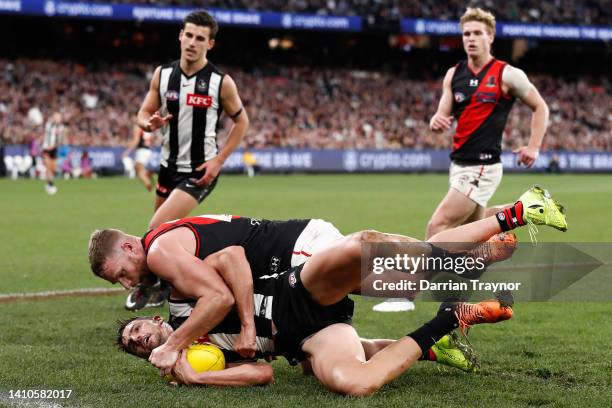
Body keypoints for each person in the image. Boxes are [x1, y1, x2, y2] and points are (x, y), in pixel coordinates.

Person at [90, 185, 567, 391]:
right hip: (302, 335)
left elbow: (232, 262)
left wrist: (215, 334)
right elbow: (260, 373)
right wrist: (196, 375)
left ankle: (492, 239)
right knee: (352, 382)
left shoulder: (173, 287)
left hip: (295, 277)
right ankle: (448, 323)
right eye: (135, 346)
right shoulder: (187, 360)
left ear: (154, 321)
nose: (138, 339)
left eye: (135, 329)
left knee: (371, 254)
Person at [374, 7, 550, 313]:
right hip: (459, 166)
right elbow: (441, 114)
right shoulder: (454, 75)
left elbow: (541, 107)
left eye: (477, 33)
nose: (471, 39)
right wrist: (436, 121)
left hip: (482, 165)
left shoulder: (507, 74)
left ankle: (406, 294)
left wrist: (533, 146)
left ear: (490, 37)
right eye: (466, 33)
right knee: (475, 228)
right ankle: (528, 208)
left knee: (439, 225)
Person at [127, 10, 250, 310]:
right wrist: (148, 124)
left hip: (199, 171)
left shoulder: (221, 82)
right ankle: (171, 285)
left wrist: (218, 161)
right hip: (168, 168)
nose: (192, 42)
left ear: (210, 44)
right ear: (180, 36)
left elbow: (242, 122)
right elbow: (142, 113)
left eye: (200, 38)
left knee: (156, 227)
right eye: (189, 35)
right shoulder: (163, 75)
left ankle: (153, 287)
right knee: (159, 234)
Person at [123, 114, 155, 191]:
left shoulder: (137, 127)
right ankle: (148, 174)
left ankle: (148, 184)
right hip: (147, 150)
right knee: (138, 168)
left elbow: (136, 141)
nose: (132, 119)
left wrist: (127, 151)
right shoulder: (146, 125)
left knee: (138, 171)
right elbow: (152, 138)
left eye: (133, 117)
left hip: (142, 151)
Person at [41, 112, 66, 194]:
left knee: (53, 169)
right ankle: (50, 185)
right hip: (46, 148)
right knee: (48, 167)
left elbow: (60, 140)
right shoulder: (49, 125)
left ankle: (49, 183)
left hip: (54, 149)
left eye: (59, 117)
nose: (57, 119)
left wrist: (54, 146)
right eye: (56, 117)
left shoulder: (61, 128)